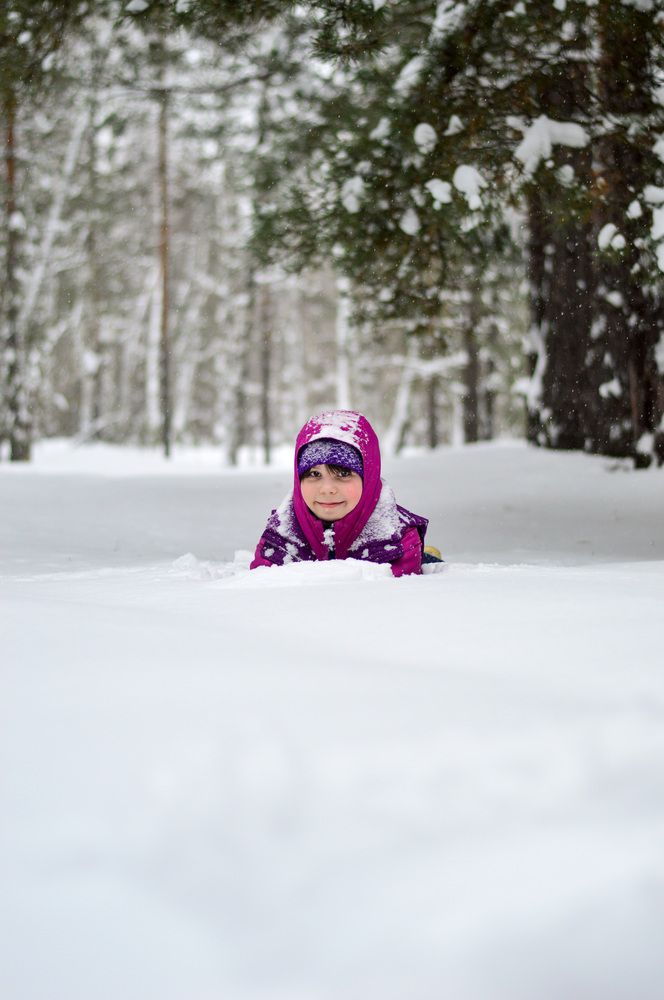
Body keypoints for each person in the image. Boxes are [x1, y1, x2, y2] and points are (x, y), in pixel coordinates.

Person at [250, 409, 431, 577]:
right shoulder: (279, 539)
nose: (327, 488)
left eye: (343, 474)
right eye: (314, 474)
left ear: (368, 478)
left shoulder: (397, 542)